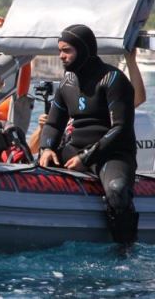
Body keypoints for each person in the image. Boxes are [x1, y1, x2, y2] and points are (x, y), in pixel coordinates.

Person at [37, 24, 138, 243]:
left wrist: (86, 158)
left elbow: (120, 128)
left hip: (112, 153)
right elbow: (54, 124)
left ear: (83, 50)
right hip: (75, 150)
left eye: (67, 51)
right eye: (60, 50)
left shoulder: (113, 80)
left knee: (117, 190)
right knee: (38, 165)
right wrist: (46, 148)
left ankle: (124, 249)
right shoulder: (67, 82)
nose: (61, 56)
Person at [29, 49, 147, 154]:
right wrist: (41, 129)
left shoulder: (98, 107)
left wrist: (131, 62)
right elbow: (32, 150)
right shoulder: (58, 112)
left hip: (91, 159)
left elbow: (137, 99)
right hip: (64, 163)